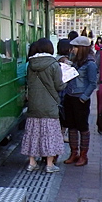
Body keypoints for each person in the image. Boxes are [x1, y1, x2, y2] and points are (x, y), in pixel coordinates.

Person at [21, 38, 65, 173]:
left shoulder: (30, 64)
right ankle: (50, 164)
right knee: (49, 134)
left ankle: (32, 162)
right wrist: (67, 82)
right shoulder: (54, 64)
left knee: (33, 133)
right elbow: (59, 85)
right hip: (49, 105)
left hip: (34, 104)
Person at [62, 35, 98, 167]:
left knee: (83, 127)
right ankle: (73, 153)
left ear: (82, 48)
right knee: (71, 126)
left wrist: (84, 98)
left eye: (75, 47)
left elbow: (93, 83)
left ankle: (83, 155)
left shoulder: (90, 64)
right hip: (70, 96)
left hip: (80, 99)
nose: (73, 49)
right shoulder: (75, 61)